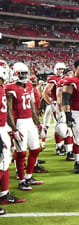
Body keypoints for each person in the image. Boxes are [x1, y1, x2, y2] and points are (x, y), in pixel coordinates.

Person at [6, 62, 43, 191]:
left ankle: (28, 176)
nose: (24, 76)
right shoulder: (10, 88)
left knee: (35, 149)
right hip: (19, 122)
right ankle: (21, 180)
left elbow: (32, 106)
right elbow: (9, 111)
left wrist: (38, 122)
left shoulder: (28, 85)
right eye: (21, 73)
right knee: (21, 152)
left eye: (25, 73)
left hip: (29, 121)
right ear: (15, 74)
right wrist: (13, 129)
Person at [0, 64, 25, 212]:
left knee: (6, 161)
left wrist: (9, 129)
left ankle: (4, 194)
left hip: (2, 127)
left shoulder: (2, 88)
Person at [42, 62, 66, 156]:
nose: (60, 71)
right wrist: (52, 103)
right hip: (57, 105)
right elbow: (45, 93)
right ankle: (59, 147)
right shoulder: (54, 79)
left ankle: (61, 146)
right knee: (60, 125)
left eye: (62, 69)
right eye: (59, 69)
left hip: (61, 104)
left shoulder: (64, 78)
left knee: (60, 125)